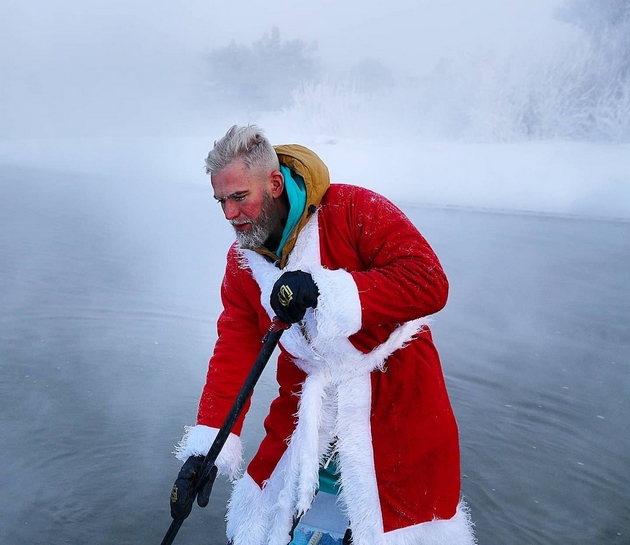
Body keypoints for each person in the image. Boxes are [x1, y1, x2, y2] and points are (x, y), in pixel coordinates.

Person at [169, 124, 476, 545]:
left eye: (240, 197)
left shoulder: (354, 209)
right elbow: (235, 350)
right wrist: (205, 452)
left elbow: (429, 281)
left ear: (274, 183)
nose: (229, 214)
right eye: (221, 200)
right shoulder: (243, 263)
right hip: (307, 401)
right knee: (265, 516)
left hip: (396, 397)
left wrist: (326, 290)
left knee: (398, 526)